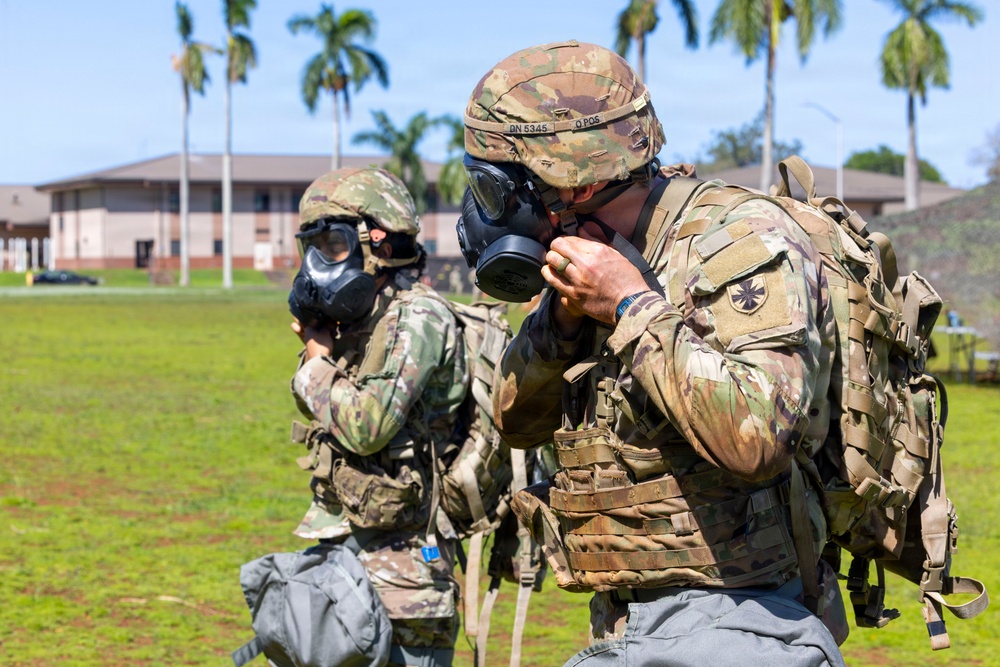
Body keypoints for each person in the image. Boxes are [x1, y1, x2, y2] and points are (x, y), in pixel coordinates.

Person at [461, 40, 846, 666]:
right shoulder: (581, 249)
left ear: (573, 180)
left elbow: (759, 439)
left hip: (746, 617)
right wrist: (557, 325)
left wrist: (629, 308)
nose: (487, 210)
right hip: (634, 621)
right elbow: (517, 424)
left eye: (497, 186)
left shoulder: (741, 240)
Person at [287, 166, 465, 667]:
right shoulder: (364, 322)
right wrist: (320, 355)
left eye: (334, 246)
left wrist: (316, 363)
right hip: (347, 555)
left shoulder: (417, 317)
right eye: (314, 247)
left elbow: (366, 426)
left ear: (379, 241)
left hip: (407, 576)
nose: (321, 264)